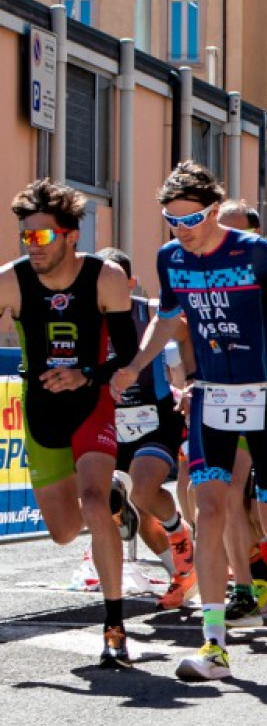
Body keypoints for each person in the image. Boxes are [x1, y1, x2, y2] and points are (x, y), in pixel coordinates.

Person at [113, 162, 267, 682]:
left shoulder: (257, 254)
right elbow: (169, 318)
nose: (180, 232)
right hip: (214, 395)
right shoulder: (170, 258)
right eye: (171, 220)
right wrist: (134, 367)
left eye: (190, 220)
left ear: (213, 211)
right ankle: (214, 645)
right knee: (210, 509)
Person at [2, 180, 138, 666]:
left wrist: (85, 375)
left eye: (40, 237)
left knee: (95, 504)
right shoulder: (10, 281)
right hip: (40, 409)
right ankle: (117, 498)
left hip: (92, 402)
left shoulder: (106, 278)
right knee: (62, 531)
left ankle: (115, 627)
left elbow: (128, 354)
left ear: (69, 235)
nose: (31, 247)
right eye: (25, 237)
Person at [97, 247, 197, 611]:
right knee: (124, 508)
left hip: (154, 416)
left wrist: (190, 382)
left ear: (130, 283)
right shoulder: (84, 316)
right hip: (108, 421)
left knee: (142, 488)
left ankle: (181, 540)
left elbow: (187, 335)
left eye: (116, 282)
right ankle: (182, 572)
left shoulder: (150, 311)